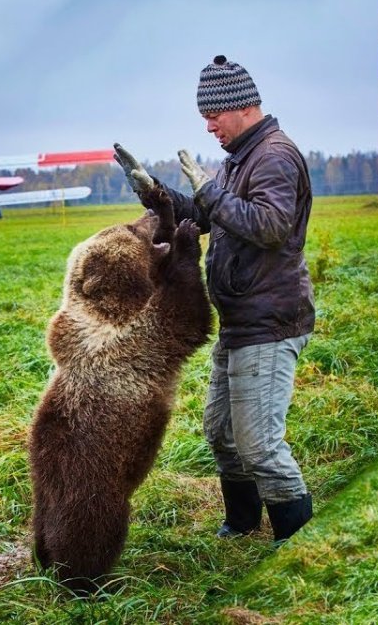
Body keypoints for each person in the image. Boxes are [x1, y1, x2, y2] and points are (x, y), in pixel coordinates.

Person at [114, 54, 316, 545]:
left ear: (241, 107)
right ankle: (243, 523)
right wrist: (157, 196)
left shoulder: (273, 156)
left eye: (213, 115)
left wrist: (209, 190)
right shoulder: (239, 159)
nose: (208, 127)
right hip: (241, 320)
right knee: (222, 432)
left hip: (270, 321)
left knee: (259, 445)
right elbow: (204, 217)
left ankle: (301, 539)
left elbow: (268, 227)